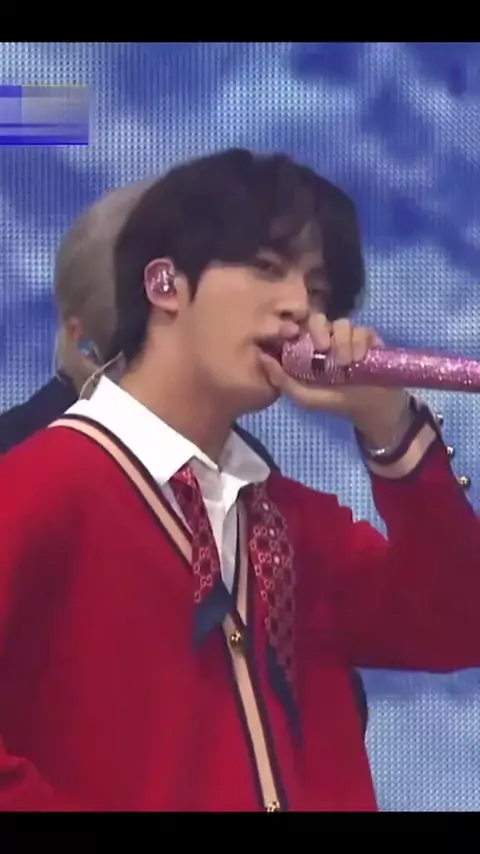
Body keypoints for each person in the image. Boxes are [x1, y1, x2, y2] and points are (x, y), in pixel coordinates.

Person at [1, 148, 469, 813]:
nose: (299, 307)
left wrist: (388, 422)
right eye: (267, 268)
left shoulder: (290, 520)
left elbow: (457, 621)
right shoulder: (39, 486)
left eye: (318, 289)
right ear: (164, 284)